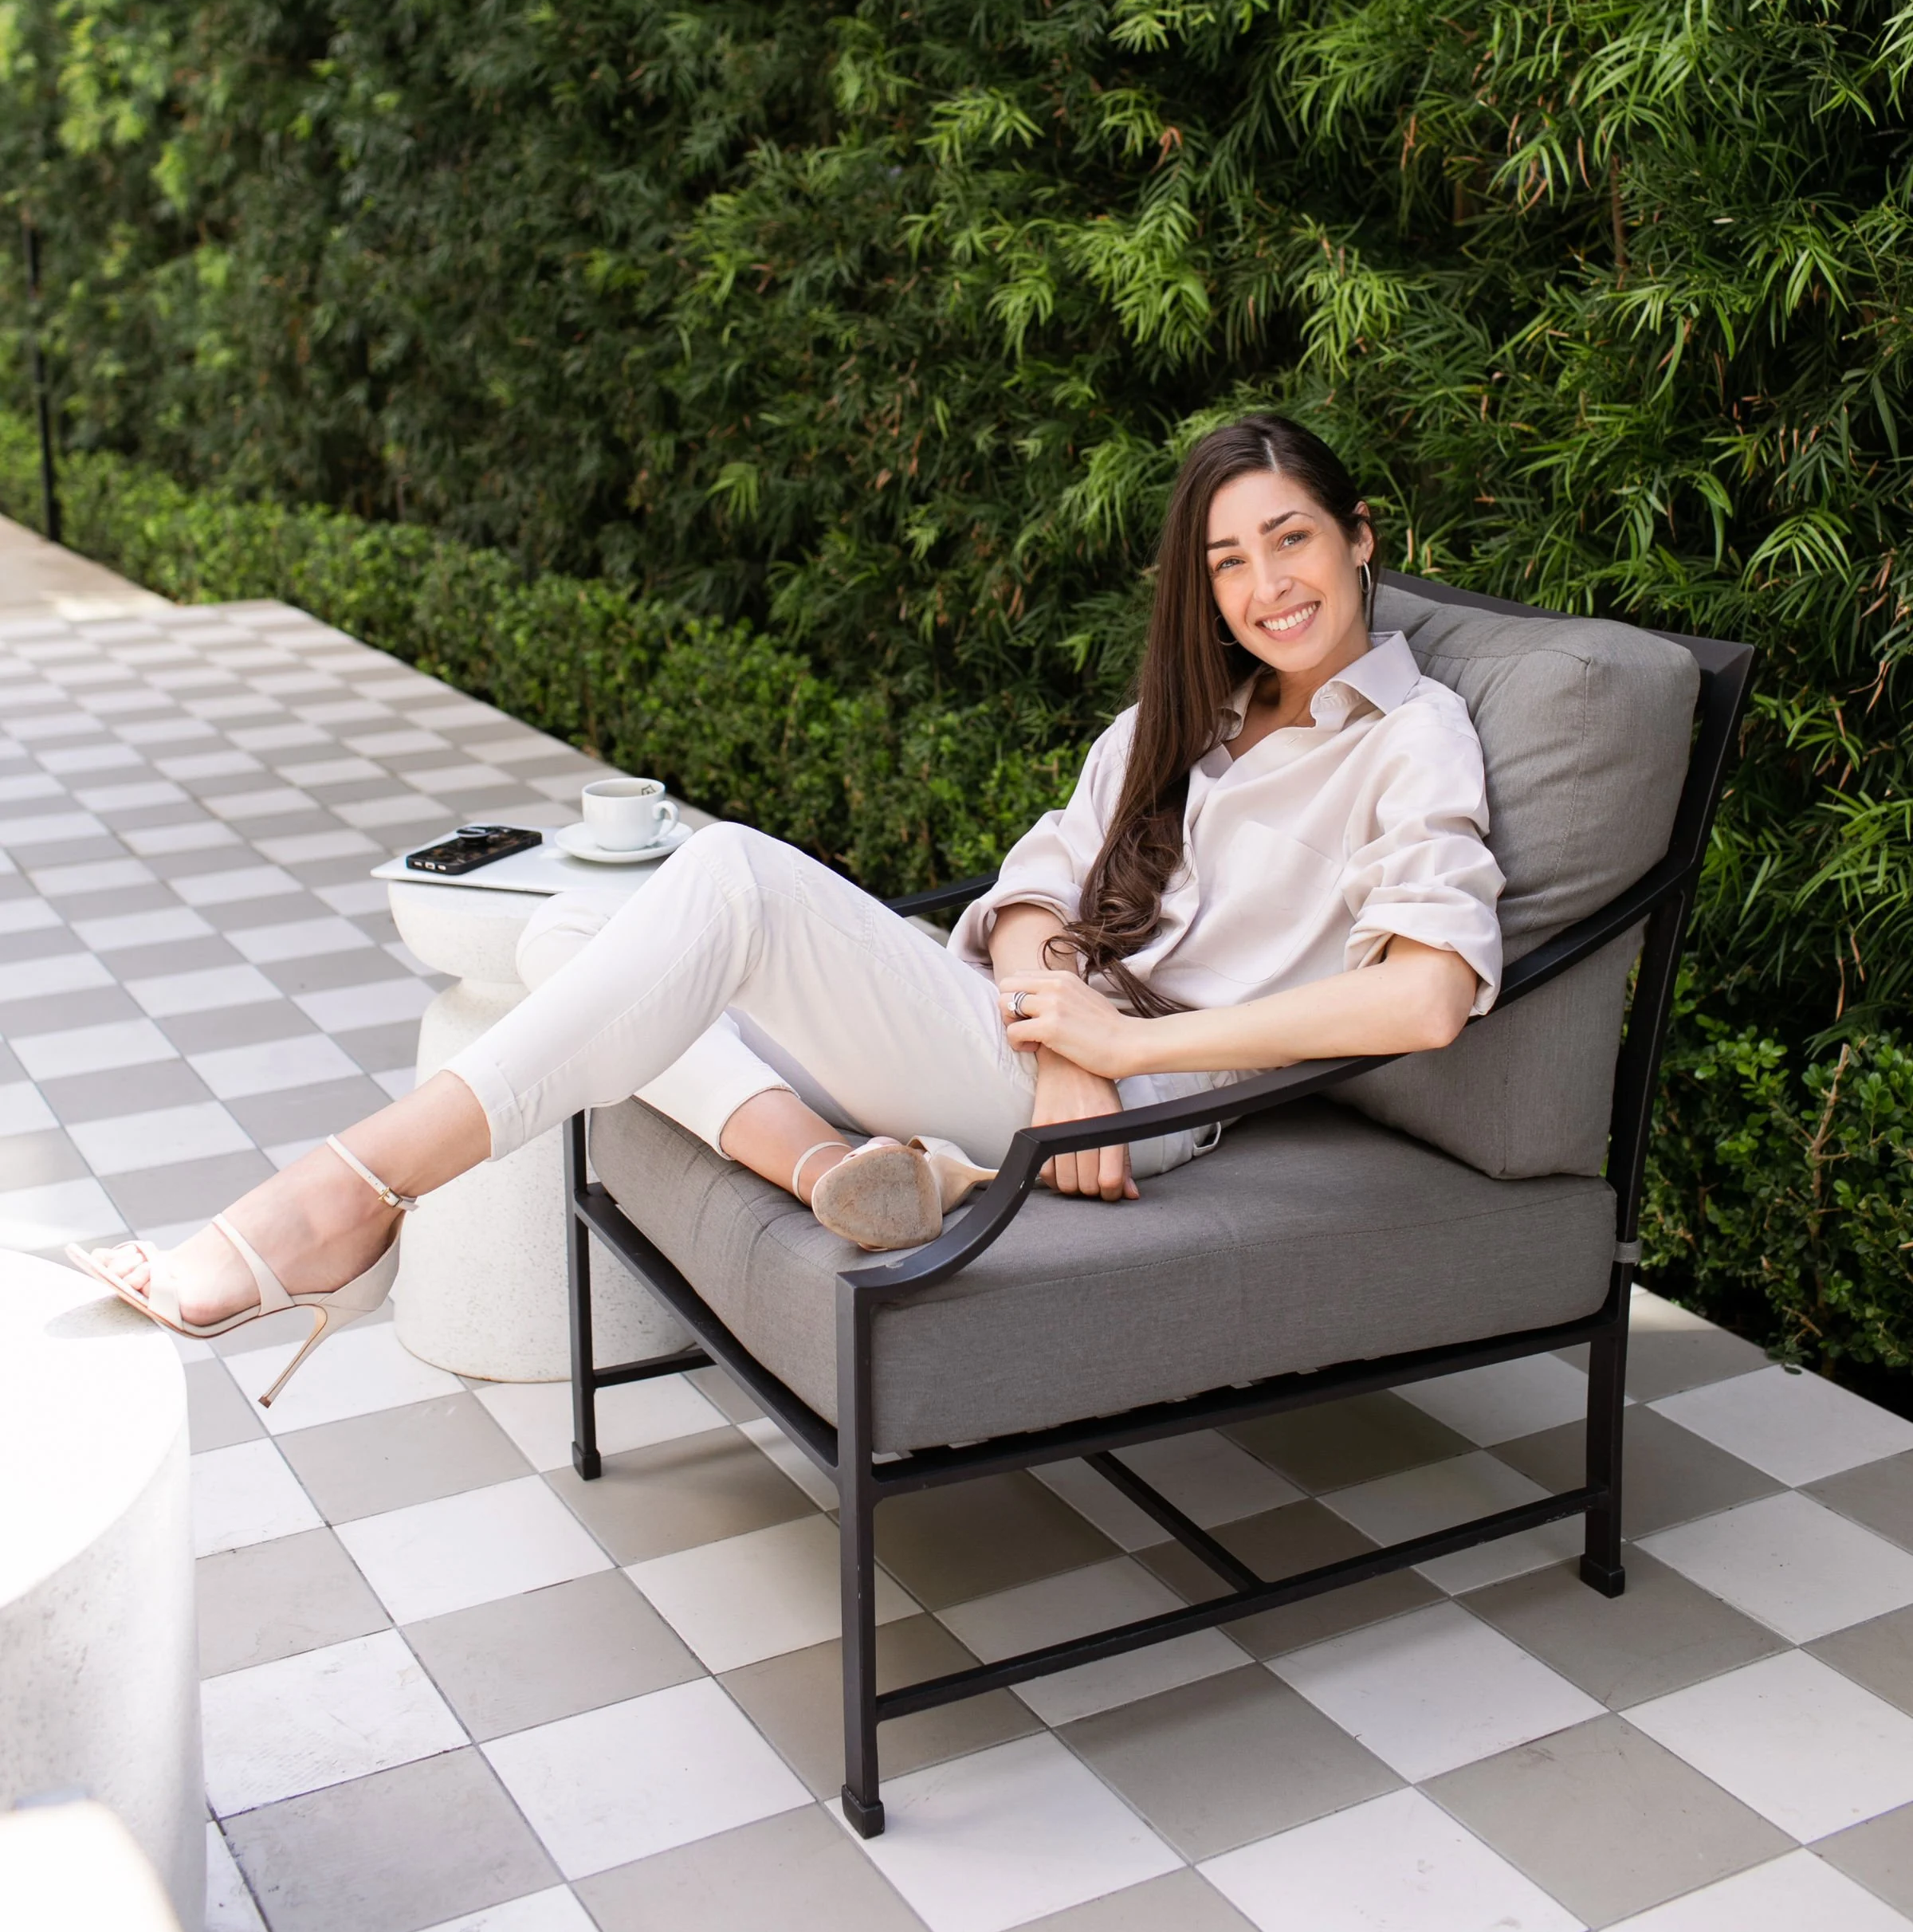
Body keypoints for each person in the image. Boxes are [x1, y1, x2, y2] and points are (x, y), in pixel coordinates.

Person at [70, 414, 1503, 1407]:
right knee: (568, 931)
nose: (1266, 586)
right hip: (1034, 1047)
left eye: (1291, 540)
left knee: (734, 877)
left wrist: (1116, 1055)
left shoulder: (1412, 739)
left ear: (1361, 538)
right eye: (1228, 561)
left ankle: (344, 1200)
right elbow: (1029, 892)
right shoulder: (1181, 720)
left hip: (1151, 1093)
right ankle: (836, 1174)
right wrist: (1056, 1029)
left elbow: (1429, 995)